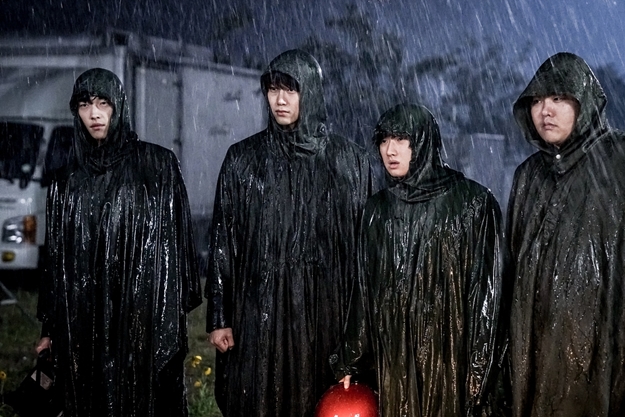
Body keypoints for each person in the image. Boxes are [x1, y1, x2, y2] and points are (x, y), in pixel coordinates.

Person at [205, 49, 372, 416]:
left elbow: (365, 252)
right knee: (261, 396)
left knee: (318, 396)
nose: (280, 100)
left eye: (291, 90)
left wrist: (358, 337)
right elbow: (223, 242)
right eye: (273, 89)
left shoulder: (348, 161)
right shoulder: (244, 160)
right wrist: (219, 316)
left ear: (309, 92)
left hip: (325, 310)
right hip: (260, 308)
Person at [36, 68, 202, 417]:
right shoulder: (67, 181)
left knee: (141, 398)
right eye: (85, 105)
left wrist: (167, 316)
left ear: (119, 106)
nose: (94, 114)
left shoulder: (156, 166)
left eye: (103, 103)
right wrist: (50, 328)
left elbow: (177, 248)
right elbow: (56, 261)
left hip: (142, 317)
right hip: (85, 320)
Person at [332, 103, 505, 416]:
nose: (390, 150)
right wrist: (351, 359)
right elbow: (364, 290)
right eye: (384, 140)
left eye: (402, 139)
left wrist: (480, 371)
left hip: (450, 358)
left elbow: (487, 296)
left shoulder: (473, 204)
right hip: (396, 355)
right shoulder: (377, 210)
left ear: (423, 143)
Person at [508, 52, 625, 417]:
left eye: (558, 97)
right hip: (537, 348)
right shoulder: (528, 176)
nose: (545, 110)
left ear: (582, 101)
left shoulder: (618, 160)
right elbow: (512, 267)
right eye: (537, 100)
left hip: (603, 349)